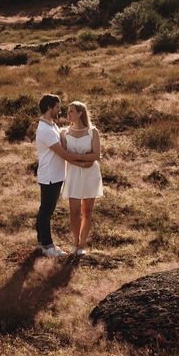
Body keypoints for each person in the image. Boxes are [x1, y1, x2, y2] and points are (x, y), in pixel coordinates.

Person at [35, 94, 96, 257]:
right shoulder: (45, 129)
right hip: (50, 174)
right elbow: (63, 153)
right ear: (49, 108)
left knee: (44, 210)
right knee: (46, 212)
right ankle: (48, 246)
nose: (59, 110)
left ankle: (41, 242)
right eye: (56, 107)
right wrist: (85, 162)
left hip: (55, 174)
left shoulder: (52, 126)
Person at [61, 100, 102, 256]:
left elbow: (96, 155)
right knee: (74, 211)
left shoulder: (93, 132)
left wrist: (78, 158)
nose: (68, 114)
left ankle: (82, 245)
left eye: (71, 111)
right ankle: (75, 242)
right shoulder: (64, 132)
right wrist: (82, 162)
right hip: (73, 173)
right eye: (68, 111)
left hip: (90, 174)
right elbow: (65, 155)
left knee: (87, 211)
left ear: (80, 113)